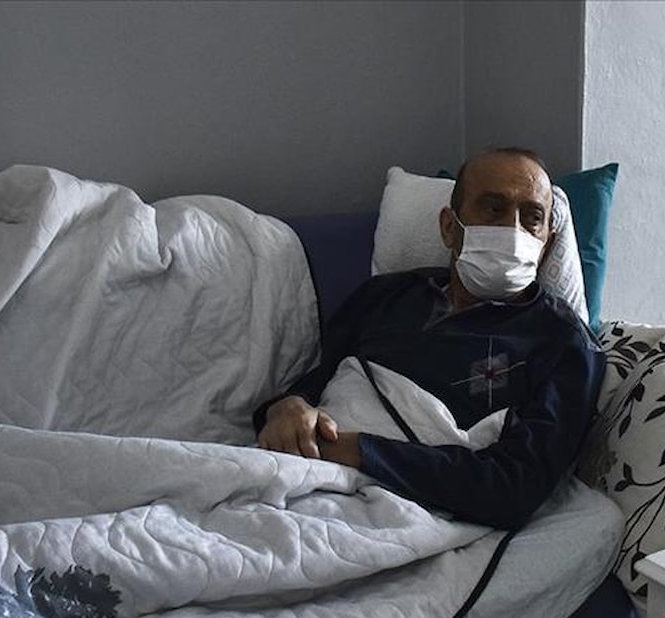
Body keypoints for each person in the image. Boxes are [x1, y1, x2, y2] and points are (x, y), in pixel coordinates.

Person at [253, 148, 604, 530]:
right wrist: (286, 407)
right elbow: (315, 383)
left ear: (547, 243)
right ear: (450, 227)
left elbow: (513, 488)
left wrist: (357, 450)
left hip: (397, 507)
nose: (512, 230)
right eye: (493, 208)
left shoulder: (565, 343)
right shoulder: (384, 297)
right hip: (304, 472)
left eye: (532, 217)